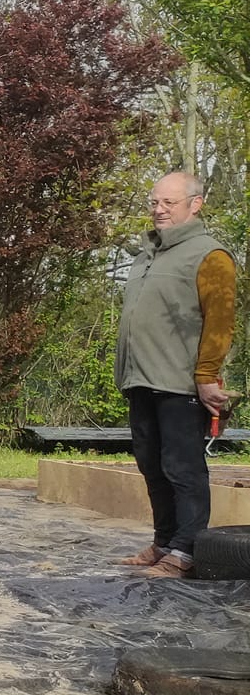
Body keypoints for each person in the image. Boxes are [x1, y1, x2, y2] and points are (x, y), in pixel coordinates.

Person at [115, 172, 236, 578]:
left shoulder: (210, 255)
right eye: (154, 202)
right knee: (151, 465)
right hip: (141, 378)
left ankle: (185, 551)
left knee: (183, 469)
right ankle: (164, 541)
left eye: (168, 202)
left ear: (195, 204)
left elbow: (220, 322)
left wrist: (206, 375)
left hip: (180, 382)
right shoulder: (147, 254)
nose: (159, 209)